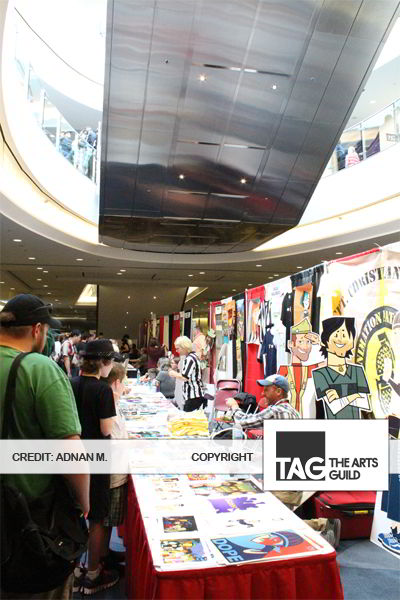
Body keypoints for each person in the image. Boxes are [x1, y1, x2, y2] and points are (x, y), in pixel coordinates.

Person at [0, 294, 89, 599]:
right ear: (37, 330)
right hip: (30, 518)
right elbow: (70, 451)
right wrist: (83, 502)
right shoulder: (38, 368)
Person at [70, 339, 119, 595]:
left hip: (72, 453)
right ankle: (93, 573)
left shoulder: (71, 383)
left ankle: (75, 569)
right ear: (105, 362)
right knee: (97, 515)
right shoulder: (102, 390)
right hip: (97, 455)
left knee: (75, 509)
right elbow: (106, 428)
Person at [312, 317, 371, 419]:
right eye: (336, 335)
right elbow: (334, 406)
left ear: (351, 342)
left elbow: (365, 403)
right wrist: (355, 395)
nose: (340, 339)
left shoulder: (357, 371)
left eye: (344, 335)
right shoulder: (320, 374)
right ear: (325, 341)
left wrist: (340, 397)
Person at [101, 363, 129, 569]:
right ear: (117, 382)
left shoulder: (109, 401)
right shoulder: (108, 403)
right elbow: (113, 437)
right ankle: (100, 562)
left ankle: (104, 555)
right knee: (106, 519)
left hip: (113, 468)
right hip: (113, 470)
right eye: (124, 382)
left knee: (107, 519)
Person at [278, 319, 323, 417]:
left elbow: (332, 362)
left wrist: (320, 343)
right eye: (300, 341)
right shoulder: (283, 370)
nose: (305, 346)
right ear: (290, 344)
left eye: (308, 342)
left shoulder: (309, 369)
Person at [226, 374, 300, 426]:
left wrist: (234, 406)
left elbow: (241, 421)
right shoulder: (295, 412)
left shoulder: (275, 411)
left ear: (278, 391)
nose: (262, 394)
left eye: (266, 390)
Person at [168, 336, 205, 411]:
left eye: (178, 348)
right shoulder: (193, 356)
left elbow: (185, 377)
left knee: (188, 417)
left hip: (193, 395)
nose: (177, 351)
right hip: (194, 394)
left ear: (184, 347)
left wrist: (173, 373)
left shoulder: (190, 359)